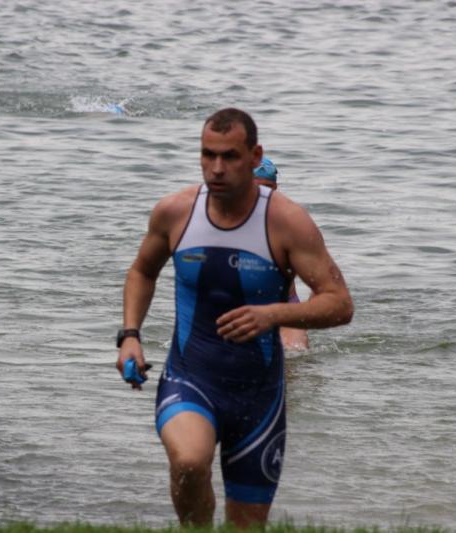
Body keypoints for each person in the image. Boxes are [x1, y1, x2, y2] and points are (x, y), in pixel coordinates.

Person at [116, 108, 353, 528]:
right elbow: (141, 272)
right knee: (189, 462)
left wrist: (274, 314)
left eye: (229, 156)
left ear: (254, 155)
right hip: (190, 377)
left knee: (246, 525)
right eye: (208, 155)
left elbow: (339, 303)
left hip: (259, 399)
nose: (217, 168)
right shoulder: (175, 211)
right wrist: (130, 335)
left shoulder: (287, 222)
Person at [253, 156, 310, 351]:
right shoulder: (224, 222)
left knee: (296, 353)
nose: (263, 194)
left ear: (276, 188)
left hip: (286, 305)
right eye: (257, 187)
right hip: (240, 307)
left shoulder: (290, 222)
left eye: (269, 188)